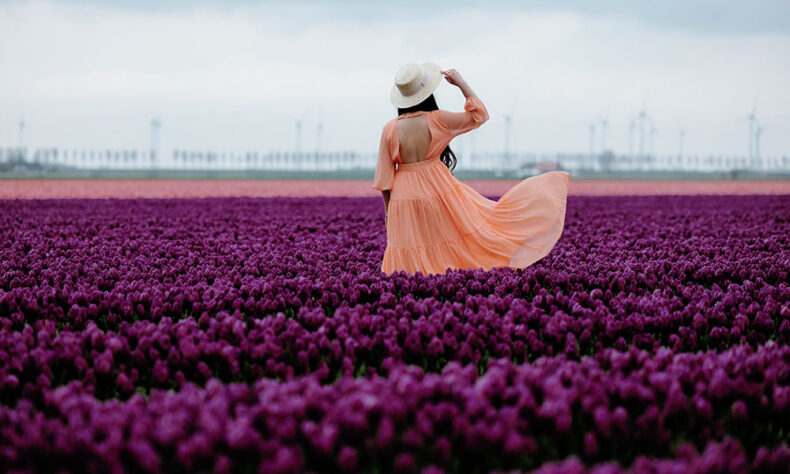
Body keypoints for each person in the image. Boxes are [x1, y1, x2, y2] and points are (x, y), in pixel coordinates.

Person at [372, 62, 570, 275]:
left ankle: (416, 295)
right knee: (452, 237)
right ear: (427, 94)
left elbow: (385, 177)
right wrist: (461, 84)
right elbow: (480, 115)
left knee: (410, 248)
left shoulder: (389, 129)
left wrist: (388, 212)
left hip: (403, 195)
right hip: (437, 186)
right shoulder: (439, 119)